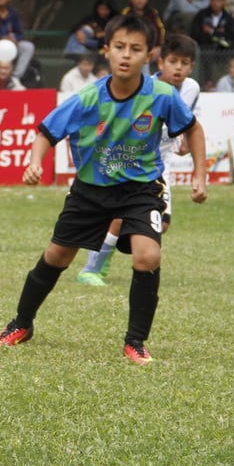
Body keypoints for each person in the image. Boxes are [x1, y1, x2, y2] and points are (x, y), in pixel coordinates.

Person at [0, 14, 208, 365]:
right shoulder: (88, 98)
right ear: (107, 51)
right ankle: (21, 323)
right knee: (57, 256)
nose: (126, 55)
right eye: (119, 47)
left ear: (149, 56)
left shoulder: (162, 95)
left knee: (148, 256)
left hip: (141, 189)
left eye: (135, 49)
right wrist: (35, 162)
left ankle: (135, 341)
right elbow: (47, 132)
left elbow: (193, 129)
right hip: (90, 191)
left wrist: (200, 174)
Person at [77, 34, 202, 286]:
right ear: (160, 63)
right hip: (132, 162)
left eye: (184, 63)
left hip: (160, 164)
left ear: (192, 67)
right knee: (120, 215)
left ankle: (115, 249)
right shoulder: (144, 88)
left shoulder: (192, 89)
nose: (178, 68)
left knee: (161, 223)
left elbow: (190, 128)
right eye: (173, 61)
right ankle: (92, 268)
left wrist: (186, 145)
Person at [121, 0, 165, 71]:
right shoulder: (126, 12)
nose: (140, 1)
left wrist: (158, 46)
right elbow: (122, 30)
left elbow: (160, 29)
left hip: (152, 46)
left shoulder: (153, 12)